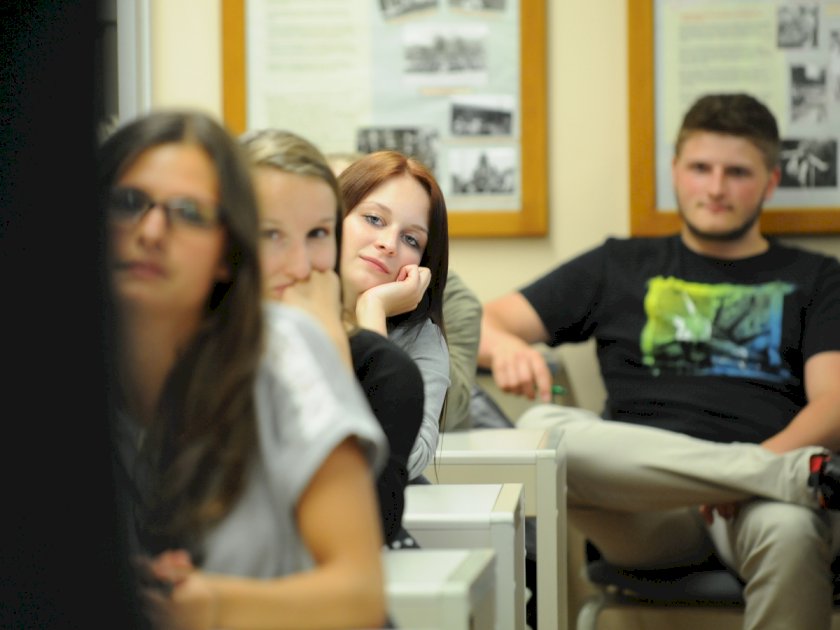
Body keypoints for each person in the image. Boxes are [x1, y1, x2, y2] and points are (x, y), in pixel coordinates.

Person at [479, 93, 840, 630]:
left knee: (793, 532)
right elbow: (482, 322)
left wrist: (748, 482)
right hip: (646, 507)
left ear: (769, 181)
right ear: (675, 171)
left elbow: (833, 404)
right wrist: (506, 345)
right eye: (700, 168)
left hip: (759, 507)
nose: (715, 188)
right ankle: (765, 474)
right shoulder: (619, 263)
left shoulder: (817, 278)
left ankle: (763, 476)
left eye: (737, 172)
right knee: (543, 433)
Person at [103, 110, 389, 629]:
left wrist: (207, 605)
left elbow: (361, 595)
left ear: (225, 254)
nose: (150, 231)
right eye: (127, 203)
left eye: (188, 213)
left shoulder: (283, 350)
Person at [240, 128, 425, 547]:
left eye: (318, 234)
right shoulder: (183, 344)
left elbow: (363, 529)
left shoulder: (383, 371)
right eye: (270, 234)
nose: (301, 265)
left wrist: (328, 353)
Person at [338, 150, 451, 480]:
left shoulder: (422, 340)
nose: (389, 244)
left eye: (410, 239)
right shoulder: (281, 309)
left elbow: (404, 458)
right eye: (374, 219)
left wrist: (372, 312)